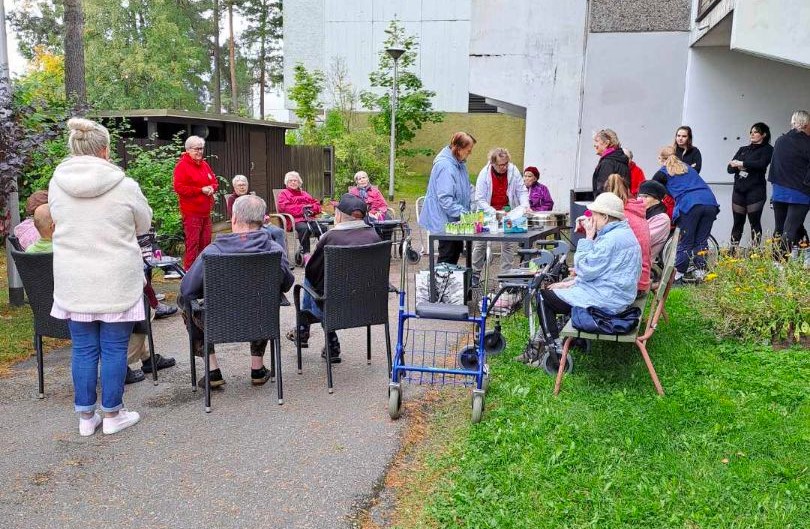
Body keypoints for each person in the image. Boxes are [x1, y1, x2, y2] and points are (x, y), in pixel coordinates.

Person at [49, 117, 152, 436]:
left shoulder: (57, 183)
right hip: (116, 279)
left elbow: (55, 218)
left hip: (73, 279)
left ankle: (85, 419)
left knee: (82, 349)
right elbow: (144, 225)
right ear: (105, 149)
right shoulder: (125, 185)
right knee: (114, 349)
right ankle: (112, 415)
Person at [179, 194, 294, 388]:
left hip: (216, 321)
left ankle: (212, 369)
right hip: (260, 320)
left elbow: (187, 290)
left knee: (185, 303)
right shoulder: (274, 250)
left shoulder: (212, 252)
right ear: (263, 220)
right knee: (263, 301)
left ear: (233, 219)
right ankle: (257, 368)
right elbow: (286, 283)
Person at [533, 192, 641, 356]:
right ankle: (574, 340)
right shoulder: (625, 233)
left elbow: (584, 269)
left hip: (607, 301)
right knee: (565, 286)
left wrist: (588, 238)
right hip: (620, 295)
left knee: (543, 296)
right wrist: (571, 283)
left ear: (605, 217)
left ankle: (554, 349)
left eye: (595, 215)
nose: (591, 218)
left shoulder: (609, 240)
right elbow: (596, 271)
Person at [287, 194, 382, 363]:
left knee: (310, 281)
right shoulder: (374, 236)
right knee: (323, 285)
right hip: (368, 305)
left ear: (338, 215)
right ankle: (308, 331)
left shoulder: (330, 237)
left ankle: (305, 328)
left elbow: (312, 271)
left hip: (334, 306)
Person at [653, 145, 719, 283]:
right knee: (701, 240)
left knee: (685, 241)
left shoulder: (663, 172)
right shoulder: (688, 168)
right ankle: (700, 272)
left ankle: (678, 275)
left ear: (661, 159)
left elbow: (651, 188)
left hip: (690, 205)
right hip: (710, 202)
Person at [419, 132, 477, 264]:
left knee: (455, 252)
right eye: (468, 151)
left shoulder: (459, 164)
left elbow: (467, 187)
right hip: (444, 221)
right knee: (447, 257)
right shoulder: (445, 166)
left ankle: (449, 283)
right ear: (458, 148)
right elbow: (445, 199)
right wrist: (466, 214)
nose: (470, 153)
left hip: (454, 220)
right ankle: (440, 284)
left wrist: (478, 203)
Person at [472, 148, 529, 274]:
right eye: (501, 165)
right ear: (493, 163)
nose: (504, 167)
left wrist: (525, 205)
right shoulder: (484, 174)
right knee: (481, 245)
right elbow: (479, 199)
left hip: (507, 212)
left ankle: (505, 277)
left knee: (508, 244)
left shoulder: (513, 171)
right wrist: (493, 212)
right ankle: (475, 275)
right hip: (487, 211)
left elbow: (521, 191)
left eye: (506, 164)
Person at [768, 110, 810, 255]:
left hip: (779, 192)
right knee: (790, 230)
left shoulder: (780, 141)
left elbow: (774, 166)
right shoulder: (807, 143)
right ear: (806, 124)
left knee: (780, 229)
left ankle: (804, 256)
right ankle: (780, 263)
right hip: (800, 193)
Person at [173, 135, 218, 270]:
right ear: (188, 150)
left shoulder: (204, 165)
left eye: (201, 149)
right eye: (196, 149)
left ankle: (204, 271)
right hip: (192, 213)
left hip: (205, 212)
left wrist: (211, 188)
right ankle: (189, 273)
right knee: (193, 244)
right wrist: (200, 190)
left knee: (206, 243)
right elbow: (179, 188)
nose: (199, 152)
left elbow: (214, 182)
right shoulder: (182, 166)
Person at [727, 122, 774, 248]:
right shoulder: (743, 149)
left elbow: (761, 164)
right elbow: (730, 169)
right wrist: (739, 165)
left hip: (755, 190)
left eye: (756, 132)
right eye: (751, 132)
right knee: (738, 222)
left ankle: (755, 252)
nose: (752, 134)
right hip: (739, 190)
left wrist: (741, 163)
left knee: (754, 222)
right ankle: (733, 251)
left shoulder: (768, 149)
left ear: (763, 134)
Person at [605, 174, 650, 294]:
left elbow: (605, 254)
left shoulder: (620, 216)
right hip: (642, 278)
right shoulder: (635, 209)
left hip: (631, 285)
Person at [277, 170, 323, 261]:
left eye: (295, 180)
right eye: (291, 181)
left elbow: (316, 205)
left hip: (309, 219)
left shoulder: (305, 193)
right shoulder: (283, 194)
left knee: (323, 229)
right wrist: (303, 209)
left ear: (299, 183)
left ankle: (324, 252)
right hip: (294, 220)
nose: (293, 182)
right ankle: (306, 255)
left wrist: (311, 210)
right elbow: (285, 208)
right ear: (286, 183)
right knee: (304, 229)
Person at [637, 180, 671, 261]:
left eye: (646, 196)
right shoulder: (641, 214)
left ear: (657, 200)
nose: (640, 200)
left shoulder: (662, 219)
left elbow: (642, 242)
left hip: (642, 262)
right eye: (639, 196)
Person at [592, 129, 630, 196]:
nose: (594, 145)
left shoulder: (607, 163)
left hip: (607, 205)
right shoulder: (621, 160)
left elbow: (603, 190)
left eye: (597, 141)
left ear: (606, 143)